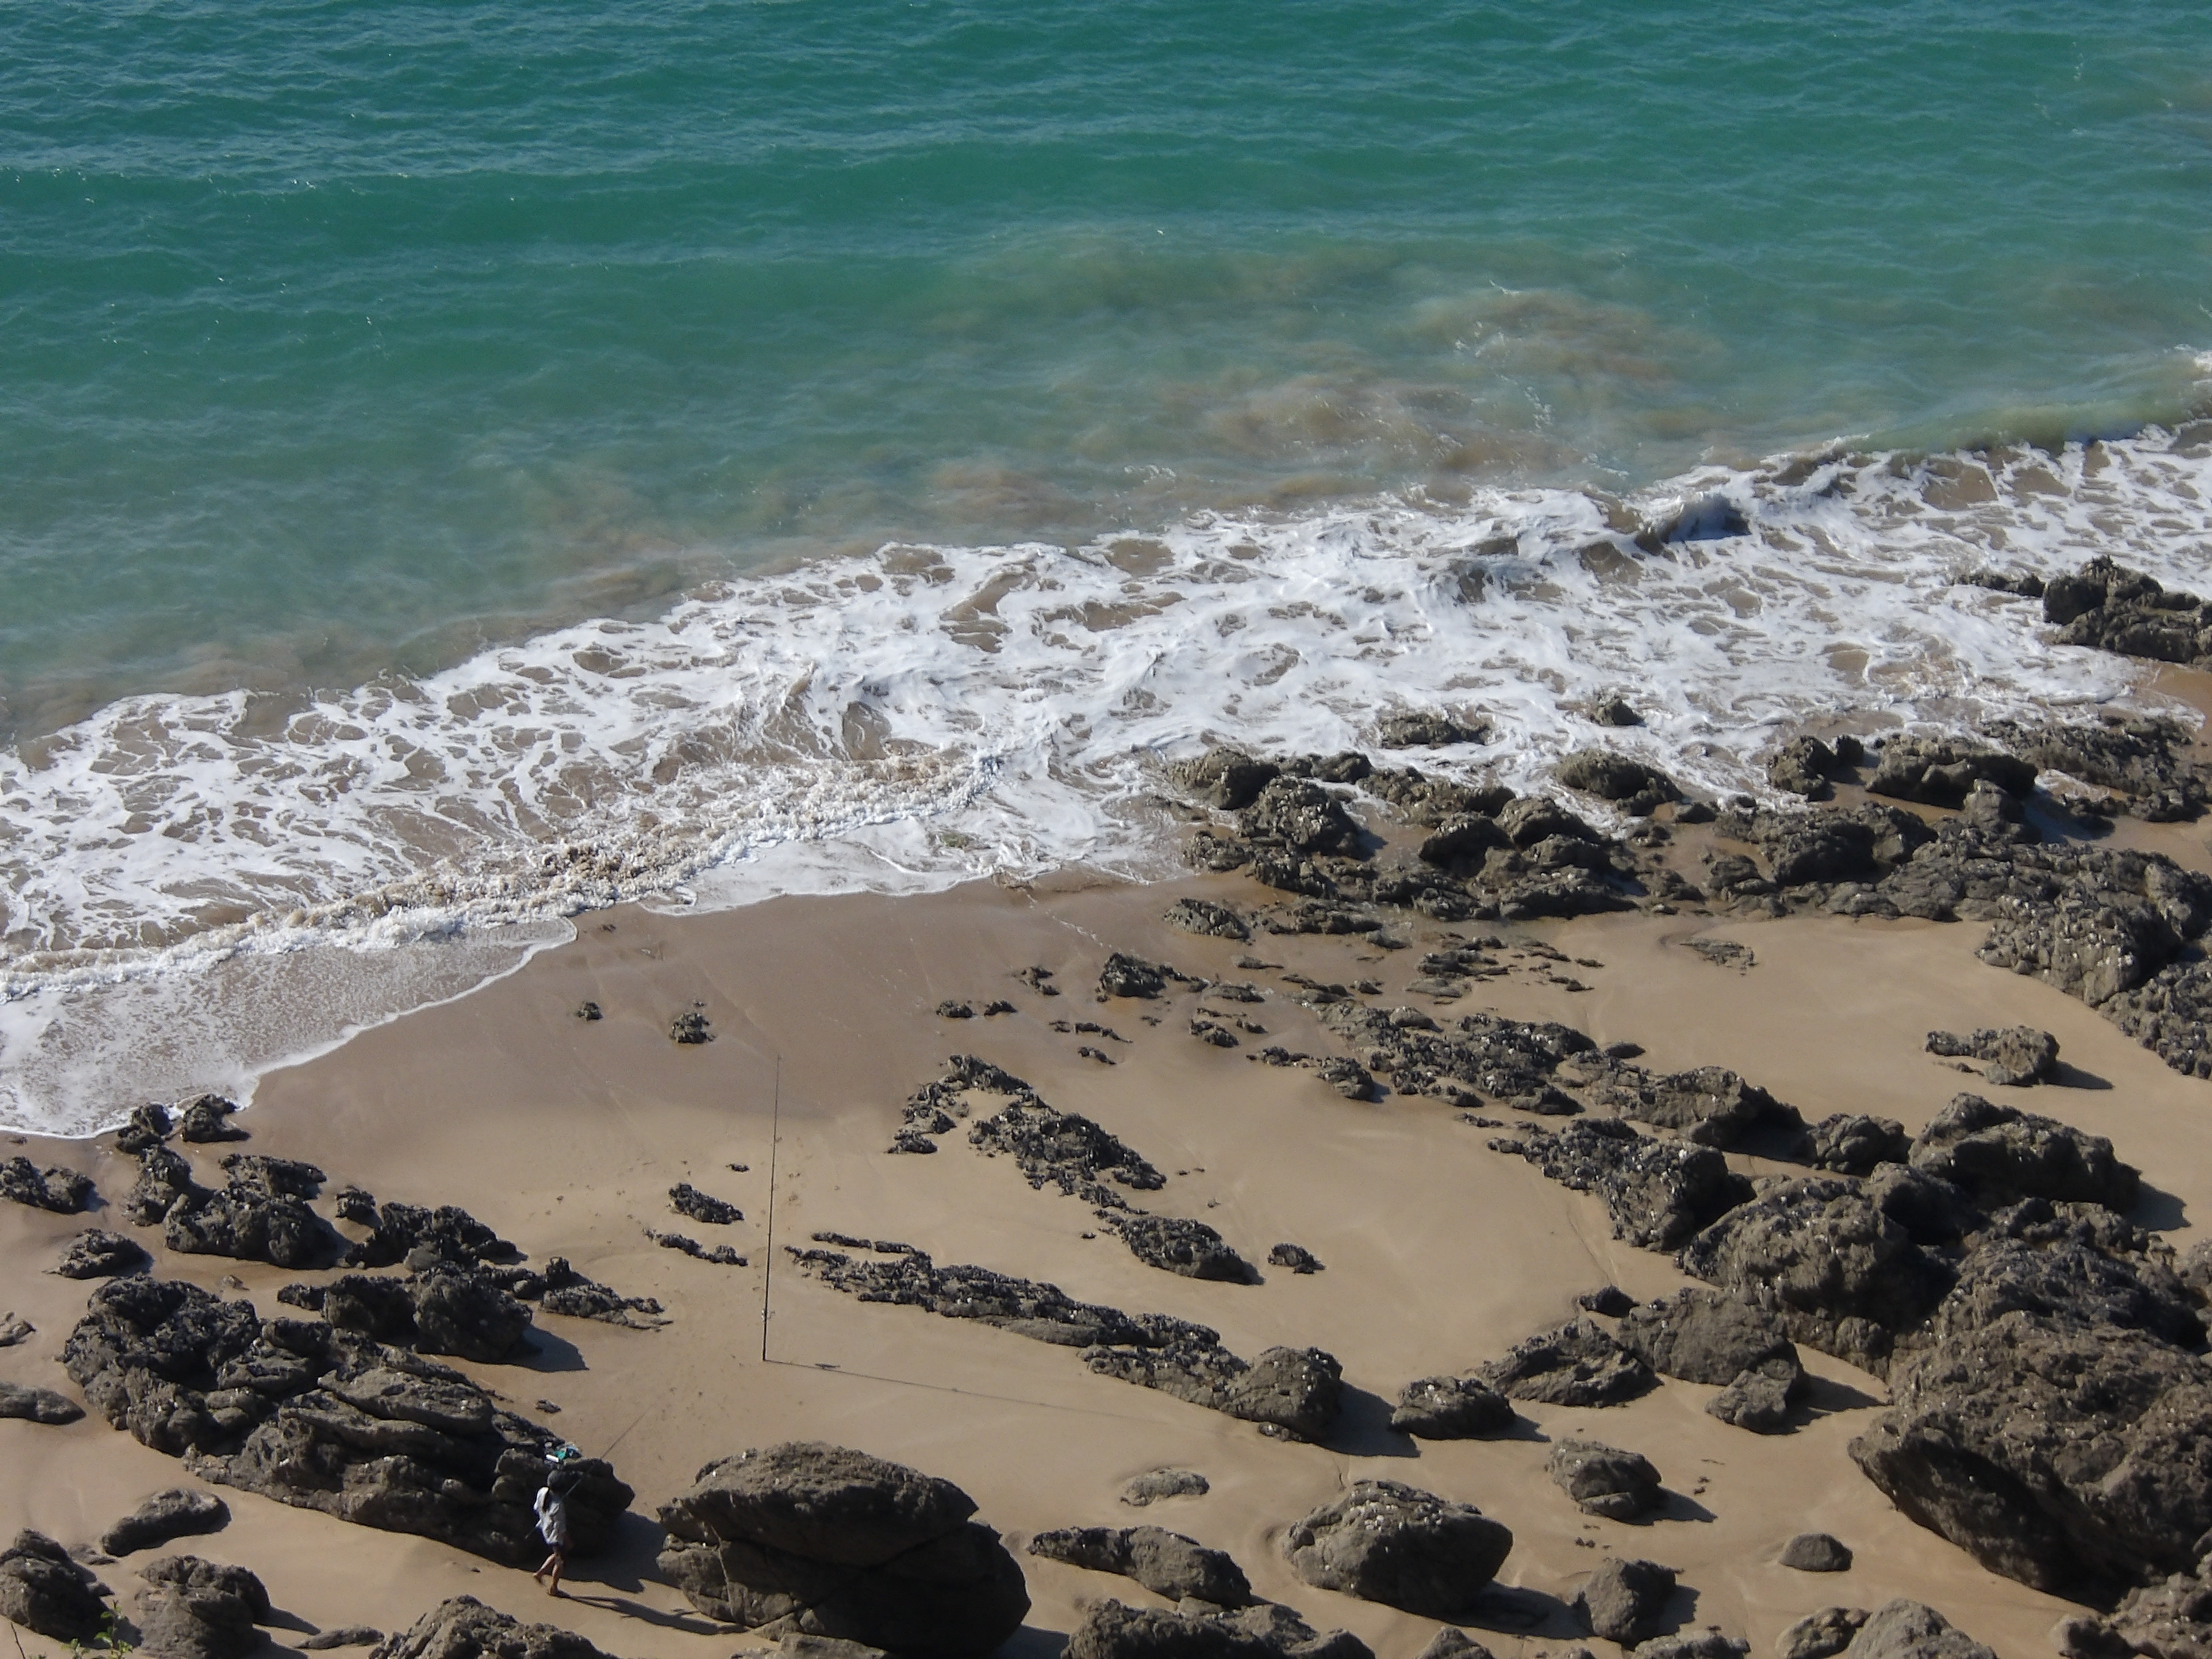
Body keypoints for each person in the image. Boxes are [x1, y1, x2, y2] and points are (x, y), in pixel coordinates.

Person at [532, 1444, 581, 1596]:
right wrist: (569, 1542)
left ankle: (540, 1574)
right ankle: (554, 1588)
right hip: (555, 1536)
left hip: (545, 1529)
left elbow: (536, 1508)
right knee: (561, 1563)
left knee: (556, 1555)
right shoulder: (558, 1505)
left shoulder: (543, 1492)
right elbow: (561, 1528)